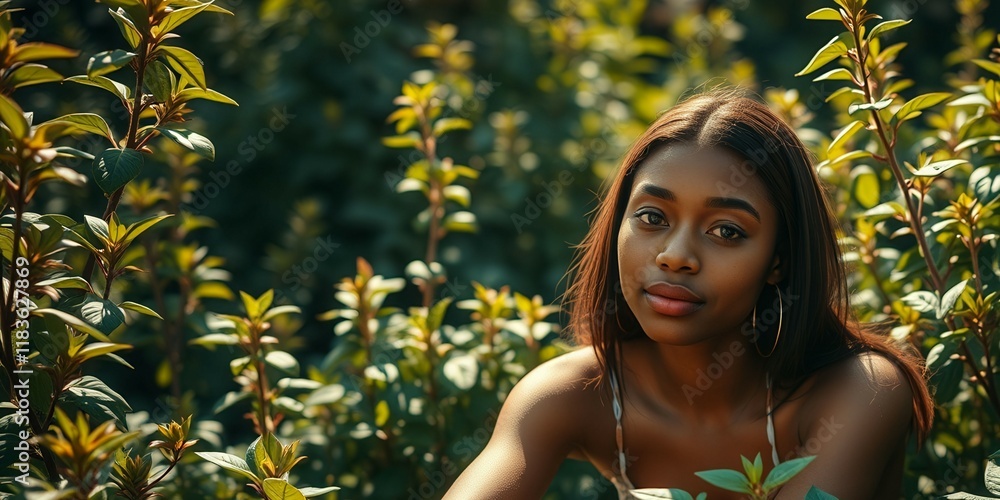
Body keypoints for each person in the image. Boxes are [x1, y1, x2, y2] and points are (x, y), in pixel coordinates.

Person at [443, 89, 934, 499]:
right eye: (652, 218)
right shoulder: (573, 395)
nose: (676, 256)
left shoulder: (860, 390)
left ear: (778, 261)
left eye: (726, 231)